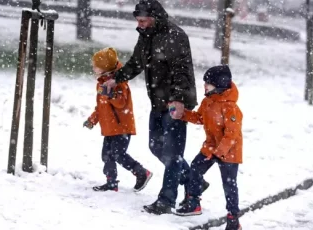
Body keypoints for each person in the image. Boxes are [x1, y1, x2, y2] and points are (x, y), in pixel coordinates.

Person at [103, 0, 209, 214]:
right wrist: (117, 79)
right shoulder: (147, 35)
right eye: (138, 21)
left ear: (154, 18)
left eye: (143, 20)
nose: (139, 24)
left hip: (174, 103)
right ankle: (192, 180)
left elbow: (182, 71)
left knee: (172, 153)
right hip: (158, 101)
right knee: (156, 146)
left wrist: (178, 100)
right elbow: (136, 62)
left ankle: (166, 201)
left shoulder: (175, 36)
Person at [172, 65, 243, 230]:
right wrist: (183, 114)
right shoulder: (208, 101)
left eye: (208, 83)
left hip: (229, 152)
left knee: (229, 185)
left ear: (219, 84)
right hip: (211, 147)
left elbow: (232, 134)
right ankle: (193, 203)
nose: (205, 85)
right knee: (195, 168)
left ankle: (233, 220)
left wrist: (219, 153)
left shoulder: (230, 107)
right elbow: (199, 118)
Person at [83, 47, 153, 192]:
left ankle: (141, 172)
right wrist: (92, 120)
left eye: (96, 65)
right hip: (109, 128)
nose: (93, 67)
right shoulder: (101, 83)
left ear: (105, 68)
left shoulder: (119, 83)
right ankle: (111, 182)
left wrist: (111, 94)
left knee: (118, 154)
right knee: (106, 155)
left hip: (121, 127)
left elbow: (121, 103)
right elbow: (101, 107)